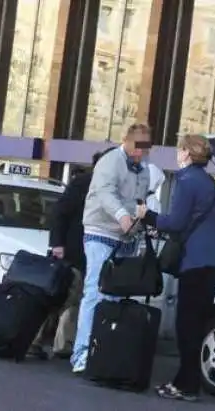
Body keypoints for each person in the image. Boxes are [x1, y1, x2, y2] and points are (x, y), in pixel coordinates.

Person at [136, 134, 215, 402]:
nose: (177, 153)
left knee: (186, 325)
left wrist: (147, 216)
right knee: (196, 324)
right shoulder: (209, 181)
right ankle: (186, 381)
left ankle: (186, 386)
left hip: (196, 260)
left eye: (180, 149)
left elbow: (174, 222)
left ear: (187, 153)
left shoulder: (186, 180)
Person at [71, 124, 152, 374]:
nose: (141, 152)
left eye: (146, 148)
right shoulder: (109, 161)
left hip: (125, 237)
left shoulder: (143, 170)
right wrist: (122, 215)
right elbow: (105, 193)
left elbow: (139, 199)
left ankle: (103, 349)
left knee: (115, 296)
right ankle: (81, 353)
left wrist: (140, 217)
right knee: (95, 291)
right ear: (126, 141)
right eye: (138, 146)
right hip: (100, 232)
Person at [29, 148, 115, 360]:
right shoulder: (84, 183)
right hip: (73, 251)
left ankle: (63, 343)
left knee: (74, 299)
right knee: (61, 296)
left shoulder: (110, 186)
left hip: (90, 252)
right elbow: (60, 212)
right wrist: (57, 243)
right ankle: (37, 339)